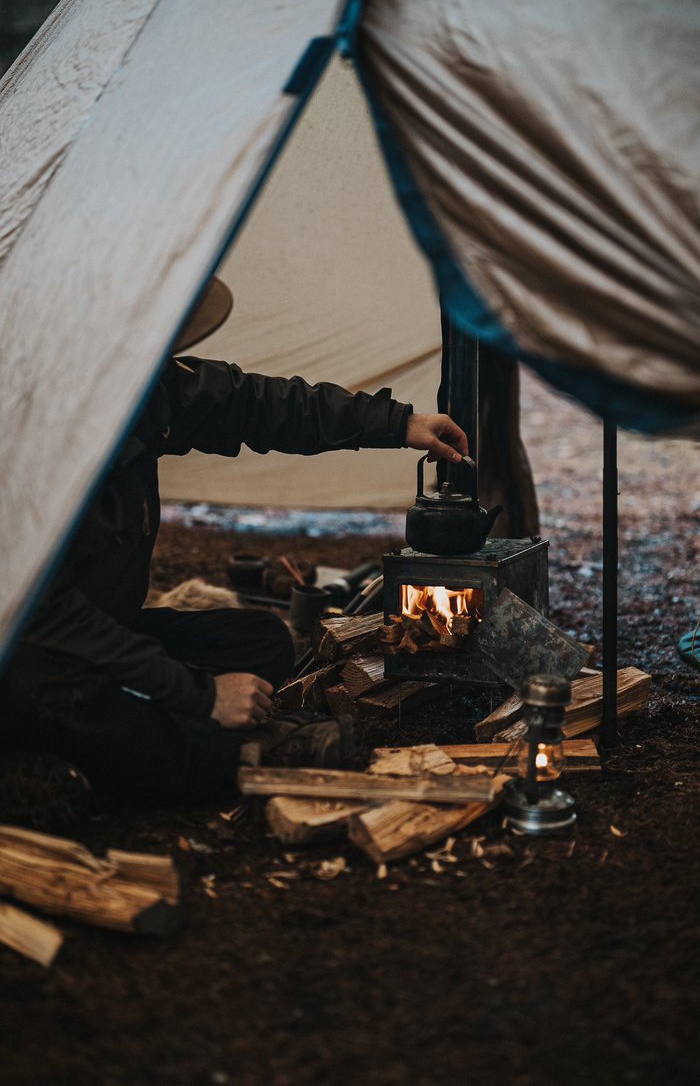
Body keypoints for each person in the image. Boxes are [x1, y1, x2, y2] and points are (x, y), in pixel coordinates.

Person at [0, 279, 468, 805]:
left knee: (259, 641)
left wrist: (398, 423)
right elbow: (46, 613)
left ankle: (133, 729)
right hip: (29, 651)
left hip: (103, 632)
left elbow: (256, 405)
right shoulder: (21, 443)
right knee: (47, 693)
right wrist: (202, 697)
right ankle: (236, 756)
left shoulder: (148, 391)